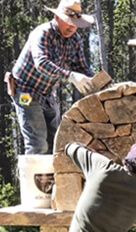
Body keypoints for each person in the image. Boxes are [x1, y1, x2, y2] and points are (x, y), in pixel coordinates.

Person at [9, 0, 95, 154]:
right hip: (26, 92)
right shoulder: (42, 33)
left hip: (48, 95)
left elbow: (81, 67)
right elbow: (42, 64)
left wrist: (96, 83)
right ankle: (32, 178)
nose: (72, 27)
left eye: (75, 23)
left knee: (56, 143)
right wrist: (71, 76)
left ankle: (51, 178)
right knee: (38, 145)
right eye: (68, 22)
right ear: (57, 18)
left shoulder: (75, 40)